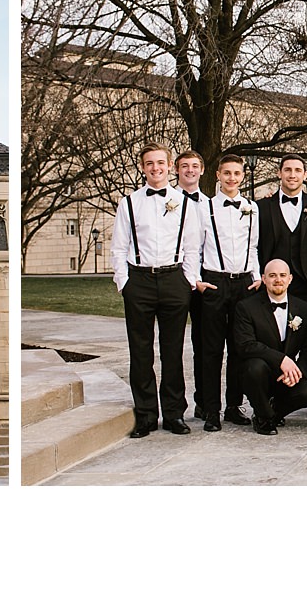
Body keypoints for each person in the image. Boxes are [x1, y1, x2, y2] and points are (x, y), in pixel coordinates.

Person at [112, 143, 203, 438]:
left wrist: (188, 280)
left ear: (168, 166)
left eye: (160, 163)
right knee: (140, 352)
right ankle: (147, 416)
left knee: (173, 351)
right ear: (143, 168)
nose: (155, 168)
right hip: (138, 281)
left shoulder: (184, 203)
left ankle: (175, 414)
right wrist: (123, 282)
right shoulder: (129, 203)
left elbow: (192, 247)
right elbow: (119, 246)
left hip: (174, 280)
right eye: (149, 163)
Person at [191, 154, 263, 431]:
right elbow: (195, 248)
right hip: (214, 283)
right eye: (227, 173)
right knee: (211, 350)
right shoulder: (205, 208)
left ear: (243, 176)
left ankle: (234, 405)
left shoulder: (251, 208)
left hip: (244, 284)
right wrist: (197, 279)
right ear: (218, 175)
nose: (232, 178)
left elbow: (253, 247)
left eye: (236, 173)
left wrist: (256, 277)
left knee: (239, 348)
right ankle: (211, 409)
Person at [230, 259, 307, 436]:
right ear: (263, 279)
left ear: (290, 279)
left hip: (286, 375)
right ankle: (263, 417)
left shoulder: (305, 308)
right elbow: (245, 345)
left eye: (282, 275)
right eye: (272, 275)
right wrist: (281, 360)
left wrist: (298, 371)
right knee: (254, 367)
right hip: (259, 373)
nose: (277, 279)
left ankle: (273, 411)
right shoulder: (246, 307)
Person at [255, 154, 307, 310]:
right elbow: (255, 246)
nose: (292, 175)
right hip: (272, 285)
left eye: (297, 170)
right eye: (287, 170)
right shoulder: (262, 207)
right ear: (279, 173)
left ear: (304, 175)